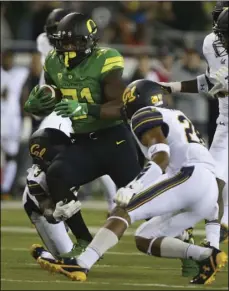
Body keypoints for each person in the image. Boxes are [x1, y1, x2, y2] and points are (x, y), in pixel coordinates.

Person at [51, 80, 227, 284]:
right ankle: (205, 255)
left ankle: (81, 264)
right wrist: (213, 239)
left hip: (189, 176)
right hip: (207, 189)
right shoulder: (176, 115)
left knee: (124, 210)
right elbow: (208, 196)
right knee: (145, 238)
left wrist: (134, 187)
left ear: (135, 100)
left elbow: (162, 157)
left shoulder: (144, 115)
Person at [159, 3, 228, 244]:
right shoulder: (211, 43)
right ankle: (215, 237)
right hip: (226, 123)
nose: (222, 39)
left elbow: (222, 87)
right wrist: (175, 86)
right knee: (214, 179)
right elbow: (211, 81)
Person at [37, 8, 118, 209]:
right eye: (57, 31)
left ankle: (106, 199)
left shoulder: (86, 54)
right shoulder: (45, 43)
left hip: (73, 105)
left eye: (66, 32)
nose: (63, 37)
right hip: (56, 103)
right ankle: (58, 196)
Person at [1, 50, 29, 200]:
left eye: (10, 58)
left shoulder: (20, 73)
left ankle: (5, 188)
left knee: (11, 156)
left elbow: (24, 93)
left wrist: (26, 114)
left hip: (12, 121)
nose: (7, 61)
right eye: (5, 58)